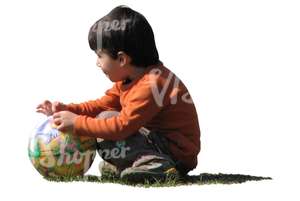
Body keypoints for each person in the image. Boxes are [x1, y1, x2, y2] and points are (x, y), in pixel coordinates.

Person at [36, 5, 201, 183]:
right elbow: (101, 105)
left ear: (122, 59)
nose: (97, 63)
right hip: (155, 141)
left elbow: (122, 127)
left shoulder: (153, 84)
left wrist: (76, 123)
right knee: (103, 118)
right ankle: (135, 163)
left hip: (176, 153)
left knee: (104, 121)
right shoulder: (129, 79)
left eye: (100, 56)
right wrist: (67, 110)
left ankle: (158, 166)